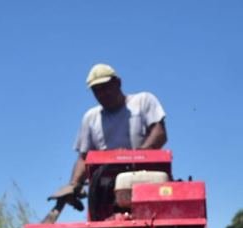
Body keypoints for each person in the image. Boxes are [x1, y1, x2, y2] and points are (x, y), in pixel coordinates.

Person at [66, 63, 167, 197]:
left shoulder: (143, 101)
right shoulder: (90, 118)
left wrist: (133, 158)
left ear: (118, 83)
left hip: (147, 181)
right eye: (97, 90)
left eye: (106, 87)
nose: (102, 93)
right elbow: (84, 158)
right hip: (105, 189)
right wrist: (73, 185)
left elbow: (159, 133)